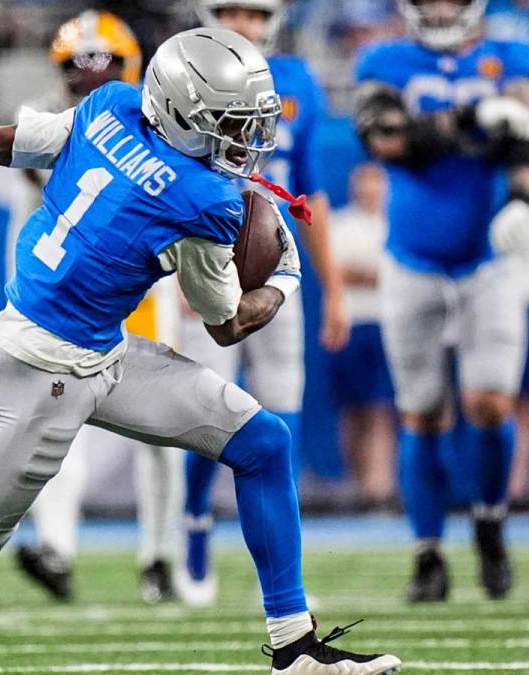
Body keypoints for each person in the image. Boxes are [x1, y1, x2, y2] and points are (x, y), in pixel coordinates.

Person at [0, 27, 400, 675]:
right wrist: (286, 279)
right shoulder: (202, 198)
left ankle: (294, 645)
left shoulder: (110, 107)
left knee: (262, 442)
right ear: (179, 114)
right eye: (229, 124)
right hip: (38, 371)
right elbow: (228, 324)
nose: (246, 142)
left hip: (98, 349)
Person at [7, 9, 184, 605]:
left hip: (138, 291)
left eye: (102, 66)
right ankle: (58, 548)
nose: (90, 80)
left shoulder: (159, 126)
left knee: (162, 430)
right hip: (67, 293)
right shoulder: (43, 122)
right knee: (59, 423)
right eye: (78, 69)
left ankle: (160, 554)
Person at [355, 0, 529, 602]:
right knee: (422, 411)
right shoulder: (385, 58)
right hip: (413, 257)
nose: (439, 8)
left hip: (489, 257)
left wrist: (524, 200)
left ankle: (489, 522)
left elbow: (526, 134)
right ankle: (427, 553)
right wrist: (472, 115)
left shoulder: (511, 56)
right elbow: (384, 137)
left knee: (488, 402)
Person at [178, 0, 350, 608]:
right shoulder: (185, 66)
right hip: (204, 252)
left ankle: (284, 565)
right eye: (232, 11)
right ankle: (196, 515)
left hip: (277, 262)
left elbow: (311, 194)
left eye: (255, 13)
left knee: (284, 400)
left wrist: (333, 290)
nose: (245, 24)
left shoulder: (296, 80)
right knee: (206, 403)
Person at [327, 163, 397, 509]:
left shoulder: (397, 222)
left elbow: (397, 273)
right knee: (352, 409)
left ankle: (379, 488)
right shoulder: (341, 224)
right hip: (352, 325)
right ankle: (357, 484)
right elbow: (338, 272)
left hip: (388, 325)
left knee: (383, 409)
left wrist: (370, 274)